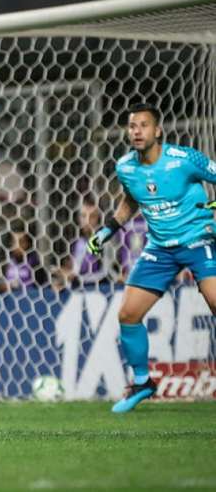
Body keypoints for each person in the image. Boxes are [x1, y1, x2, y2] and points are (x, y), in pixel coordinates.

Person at [87, 102, 216, 413]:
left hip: (198, 241)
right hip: (159, 248)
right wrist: (108, 230)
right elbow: (131, 200)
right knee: (128, 314)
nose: (137, 131)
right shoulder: (126, 167)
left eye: (143, 125)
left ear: (158, 131)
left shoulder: (184, 159)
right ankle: (144, 383)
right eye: (132, 126)